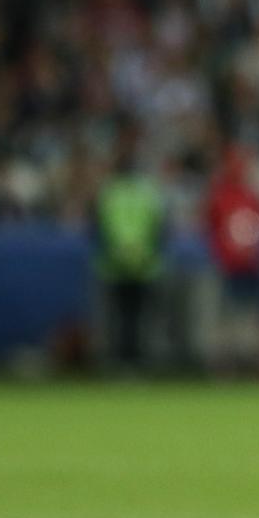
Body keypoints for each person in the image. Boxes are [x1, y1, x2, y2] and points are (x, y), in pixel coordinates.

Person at [92, 134, 168, 371]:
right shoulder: (148, 193)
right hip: (143, 264)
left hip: (115, 264)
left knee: (119, 316)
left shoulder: (108, 193)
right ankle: (137, 361)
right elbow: (161, 229)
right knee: (138, 316)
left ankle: (119, 361)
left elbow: (97, 229)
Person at [203, 144, 259, 375]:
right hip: (230, 266)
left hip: (253, 265)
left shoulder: (252, 196)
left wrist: (255, 250)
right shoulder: (220, 196)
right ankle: (225, 366)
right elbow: (211, 229)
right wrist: (224, 253)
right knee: (228, 317)